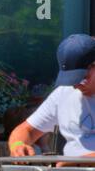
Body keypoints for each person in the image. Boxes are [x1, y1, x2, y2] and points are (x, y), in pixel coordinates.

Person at [8, 33, 95, 163]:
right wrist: (18, 146)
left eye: (82, 78)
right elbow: (27, 129)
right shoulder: (63, 94)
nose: (76, 86)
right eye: (71, 80)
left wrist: (77, 162)